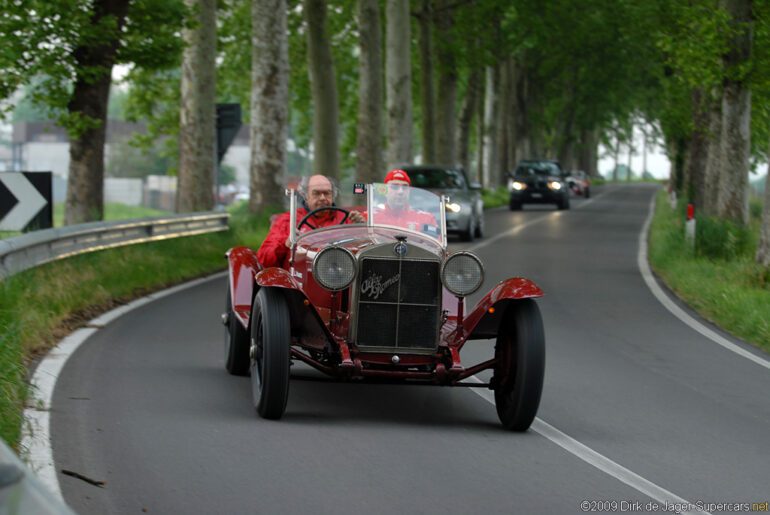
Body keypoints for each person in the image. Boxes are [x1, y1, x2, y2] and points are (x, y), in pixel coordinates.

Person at [257, 175, 364, 268]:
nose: (322, 198)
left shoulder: (348, 220)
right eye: (316, 193)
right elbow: (264, 260)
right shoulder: (288, 221)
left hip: (341, 277)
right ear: (306, 196)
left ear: (333, 196)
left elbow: (364, 255)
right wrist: (286, 245)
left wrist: (362, 229)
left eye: (327, 193)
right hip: (299, 281)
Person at [374, 169, 439, 233]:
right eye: (395, 187)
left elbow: (436, 239)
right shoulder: (372, 218)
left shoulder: (426, 219)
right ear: (384, 191)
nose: (400, 191)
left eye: (405, 187)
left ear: (409, 191)